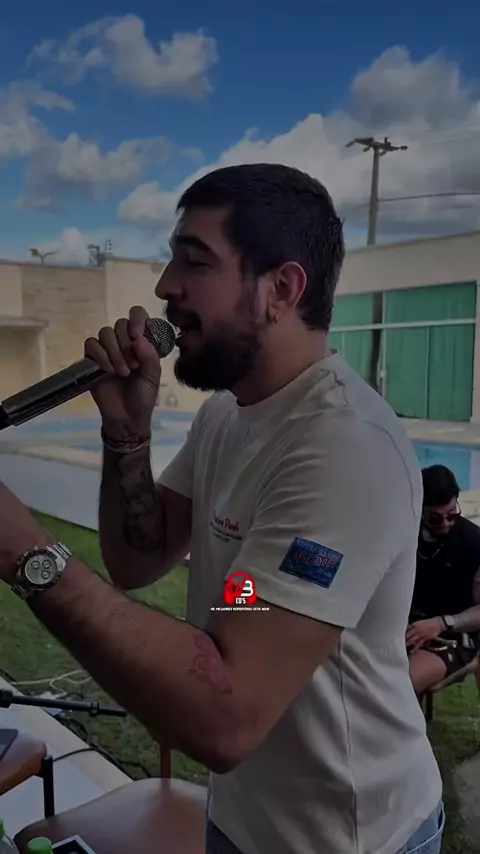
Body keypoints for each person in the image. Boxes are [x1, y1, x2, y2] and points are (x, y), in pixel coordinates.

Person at [0, 164, 443, 854]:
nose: (164, 287)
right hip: (240, 817)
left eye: (195, 261)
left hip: (346, 835)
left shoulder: (345, 447)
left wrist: (25, 549)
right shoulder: (227, 416)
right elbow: (139, 559)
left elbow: (225, 718)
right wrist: (128, 434)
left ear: (281, 289)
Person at [408, 464, 480, 695]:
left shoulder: (474, 543)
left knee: (403, 683)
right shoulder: (403, 534)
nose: (446, 524)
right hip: (404, 628)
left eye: (452, 514)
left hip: (454, 634)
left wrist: (441, 623)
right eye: (435, 519)